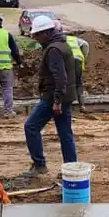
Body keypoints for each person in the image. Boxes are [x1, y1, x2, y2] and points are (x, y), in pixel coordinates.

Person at [24, 14, 78, 177]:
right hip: (66, 96)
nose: (36, 38)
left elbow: (60, 77)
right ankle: (71, 169)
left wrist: (56, 101)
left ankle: (39, 165)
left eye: (37, 35)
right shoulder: (62, 44)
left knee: (31, 127)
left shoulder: (53, 50)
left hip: (53, 97)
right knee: (65, 133)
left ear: (46, 33)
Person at [64, 33, 90, 110]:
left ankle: (67, 105)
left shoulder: (60, 39)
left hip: (68, 60)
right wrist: (84, 56)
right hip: (78, 60)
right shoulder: (75, 39)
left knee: (67, 82)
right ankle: (82, 105)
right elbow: (85, 44)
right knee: (78, 82)